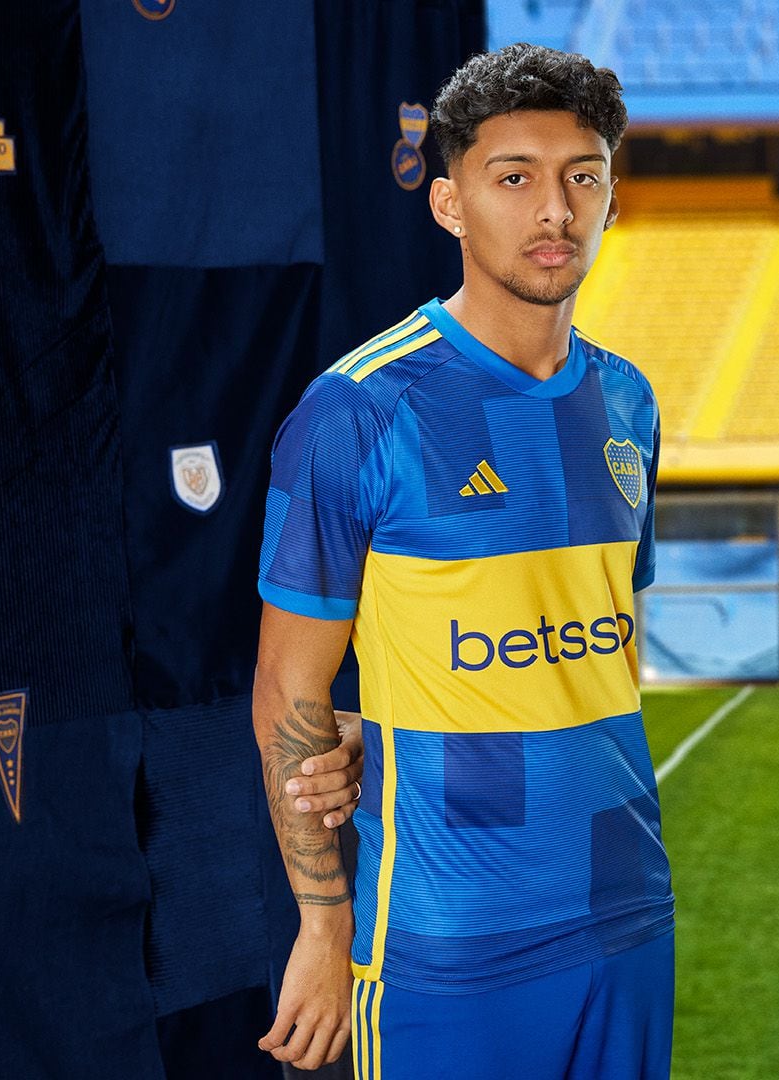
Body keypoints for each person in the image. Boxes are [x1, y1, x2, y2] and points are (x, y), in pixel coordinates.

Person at [252, 43, 670, 1078]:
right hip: (446, 947)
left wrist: (402, 725)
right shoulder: (359, 413)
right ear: (449, 204)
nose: (555, 211)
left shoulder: (629, 401)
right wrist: (323, 924)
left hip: (628, 915)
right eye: (514, 178)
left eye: (583, 177)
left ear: (612, 201)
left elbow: (599, 649)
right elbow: (286, 691)